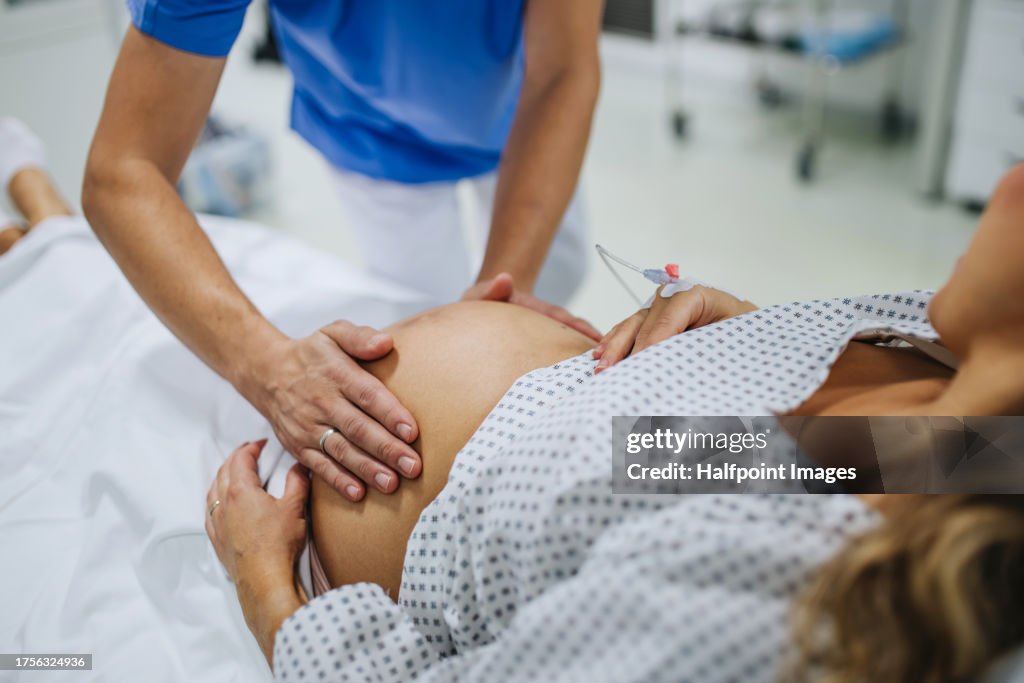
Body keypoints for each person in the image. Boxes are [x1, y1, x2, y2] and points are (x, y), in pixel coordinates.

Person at [206, 163, 1024, 682]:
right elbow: (732, 460)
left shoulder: (808, 606)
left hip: (305, 528)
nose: (1009, 185)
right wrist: (747, 340)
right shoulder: (973, 435)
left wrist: (268, 595)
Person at [81, 1, 604, 503]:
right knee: (433, 316)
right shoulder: (660, 458)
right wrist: (267, 368)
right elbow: (125, 170)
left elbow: (562, 69)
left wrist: (265, 581)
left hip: (519, 107)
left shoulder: (672, 454)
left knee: (553, 275)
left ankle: (28, 193)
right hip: (371, 129)